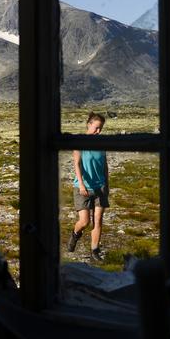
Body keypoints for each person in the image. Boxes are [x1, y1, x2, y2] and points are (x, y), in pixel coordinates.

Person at [67, 112, 109, 261]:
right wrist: (82, 185)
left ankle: (95, 251)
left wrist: (106, 185)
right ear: (89, 124)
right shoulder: (79, 143)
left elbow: (105, 166)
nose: (98, 131)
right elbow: (77, 164)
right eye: (96, 128)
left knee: (98, 220)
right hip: (83, 187)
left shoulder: (101, 144)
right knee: (85, 222)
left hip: (100, 188)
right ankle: (75, 235)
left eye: (101, 128)